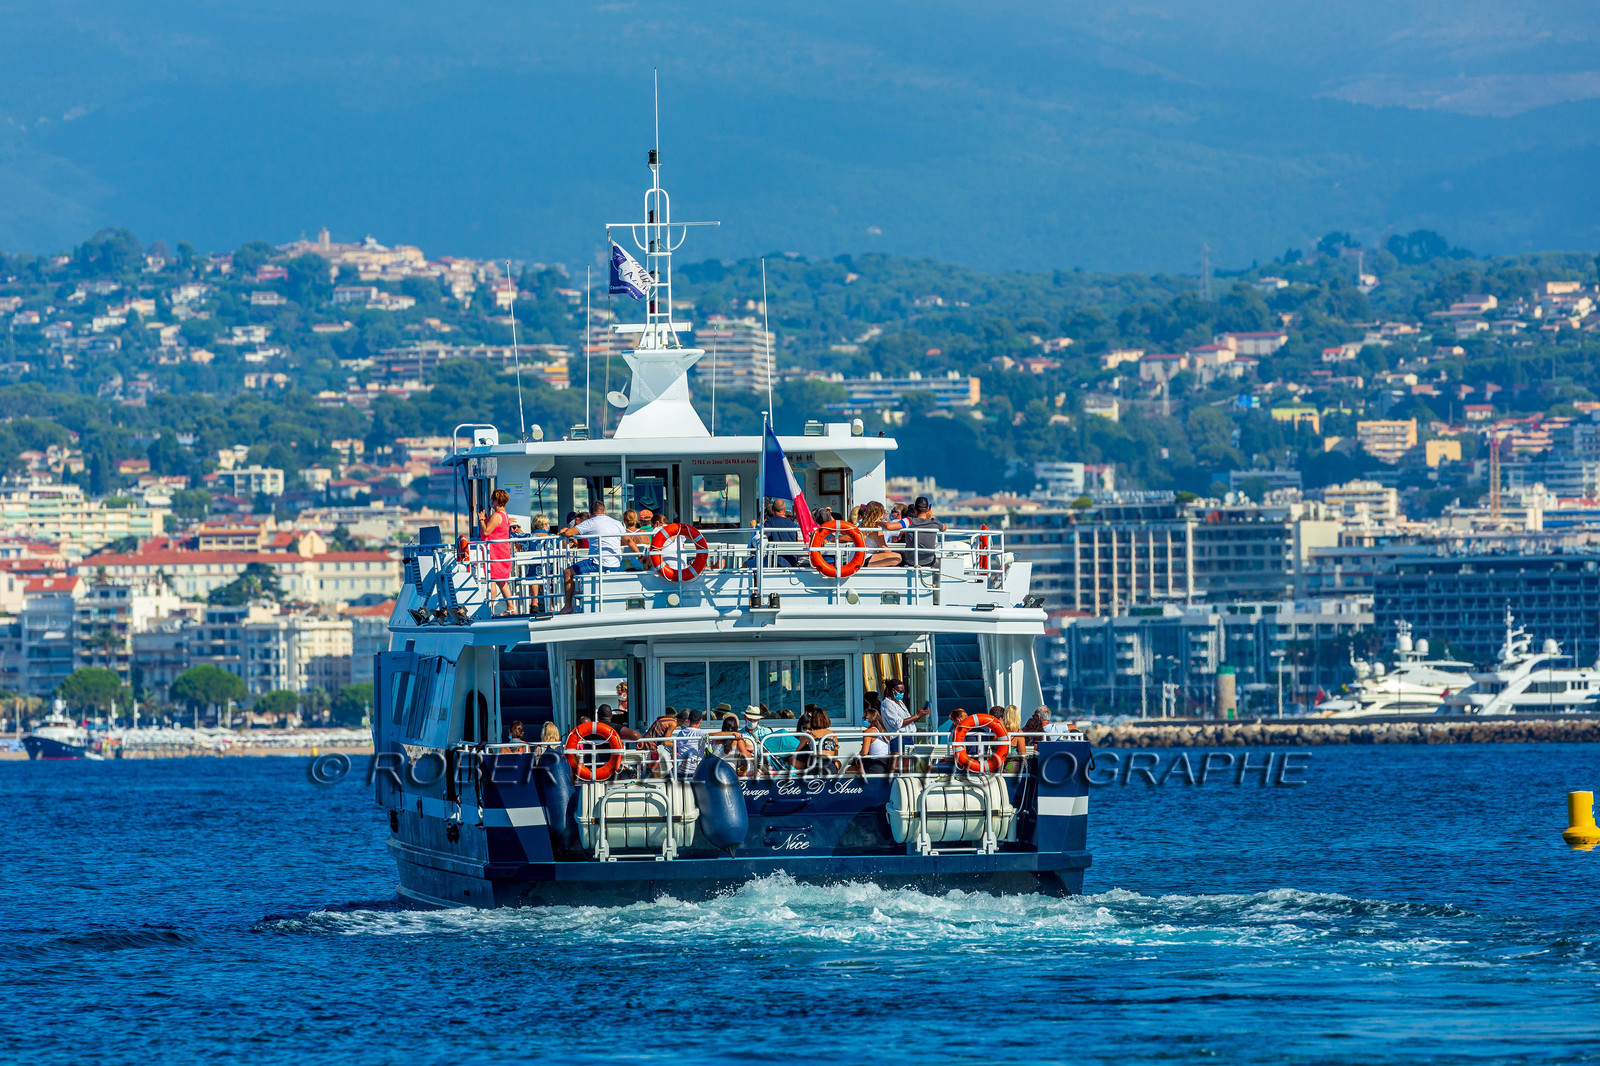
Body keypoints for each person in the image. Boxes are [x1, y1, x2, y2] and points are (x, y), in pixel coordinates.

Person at [558, 499, 627, 612]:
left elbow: (569, 533)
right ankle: (580, 594)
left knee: (567, 572)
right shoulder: (616, 523)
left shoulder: (591, 522)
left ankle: (568, 606)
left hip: (598, 563)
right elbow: (628, 540)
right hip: (615, 564)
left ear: (591, 513)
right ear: (604, 510)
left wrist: (562, 532)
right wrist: (640, 556)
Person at [479, 488, 516, 614]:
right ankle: (509, 607)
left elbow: (486, 531)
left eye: (492, 500)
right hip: (501, 550)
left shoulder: (497, 516)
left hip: (495, 552)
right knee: (499, 581)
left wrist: (481, 519)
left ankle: (493, 608)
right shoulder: (505, 515)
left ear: (495, 501)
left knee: (494, 581)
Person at [884, 495, 946, 568]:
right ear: (928, 509)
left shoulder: (909, 521)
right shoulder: (934, 522)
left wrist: (878, 522)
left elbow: (889, 527)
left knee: (898, 553)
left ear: (914, 509)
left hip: (910, 561)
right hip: (929, 561)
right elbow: (944, 527)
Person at [792, 707, 840, 774]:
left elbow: (797, 753)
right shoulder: (832, 735)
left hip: (812, 766)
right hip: (829, 767)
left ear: (812, 720)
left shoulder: (809, 735)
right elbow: (835, 758)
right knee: (838, 763)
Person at [856, 500, 903, 567]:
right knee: (897, 557)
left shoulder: (862, 524)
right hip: (864, 559)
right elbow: (884, 549)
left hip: (855, 557)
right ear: (880, 513)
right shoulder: (876, 527)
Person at [760, 499, 803, 567]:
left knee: (748, 564)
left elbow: (763, 538)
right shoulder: (791, 524)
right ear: (784, 509)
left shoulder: (770, 522)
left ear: (773, 509)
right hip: (792, 562)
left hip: (775, 562)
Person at [857, 707, 892, 775]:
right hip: (886, 764)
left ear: (871, 719)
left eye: (864, 718)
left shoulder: (869, 731)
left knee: (849, 770)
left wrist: (857, 756)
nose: (863, 720)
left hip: (875, 764)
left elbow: (864, 752)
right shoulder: (884, 731)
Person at [674, 708, 708, 775]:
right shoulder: (701, 733)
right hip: (696, 771)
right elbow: (713, 735)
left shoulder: (680, 733)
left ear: (688, 720)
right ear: (701, 721)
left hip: (680, 771)